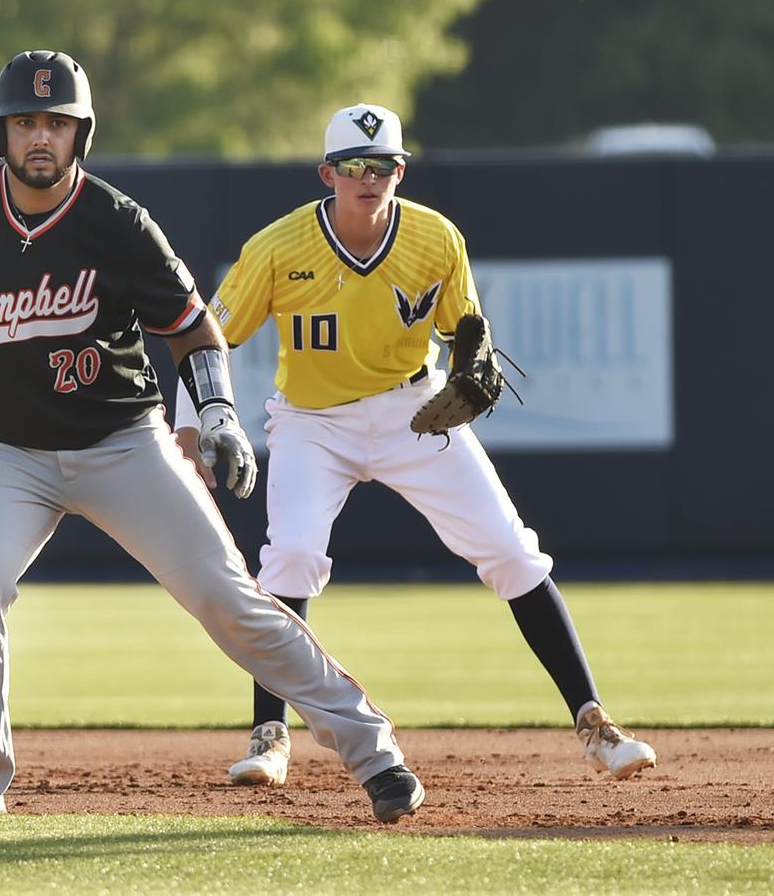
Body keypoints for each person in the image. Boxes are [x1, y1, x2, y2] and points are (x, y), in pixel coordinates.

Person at [0, 54, 424, 823]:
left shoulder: (116, 221)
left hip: (122, 442)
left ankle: (373, 751)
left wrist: (219, 412)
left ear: (81, 135)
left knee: (227, 599)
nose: (41, 137)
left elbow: (193, 328)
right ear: (2, 131)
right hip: (4, 450)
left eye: (57, 123)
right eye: (27, 122)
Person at [175, 103, 656, 788]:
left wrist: (470, 357)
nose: (369, 177)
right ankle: (270, 734)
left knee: (511, 551)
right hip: (314, 421)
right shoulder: (278, 248)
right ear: (328, 173)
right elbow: (206, 338)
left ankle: (596, 723)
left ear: (401, 170)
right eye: (354, 166)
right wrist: (190, 431)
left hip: (412, 410)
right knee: (294, 556)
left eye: (383, 165)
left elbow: (466, 330)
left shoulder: (435, 238)